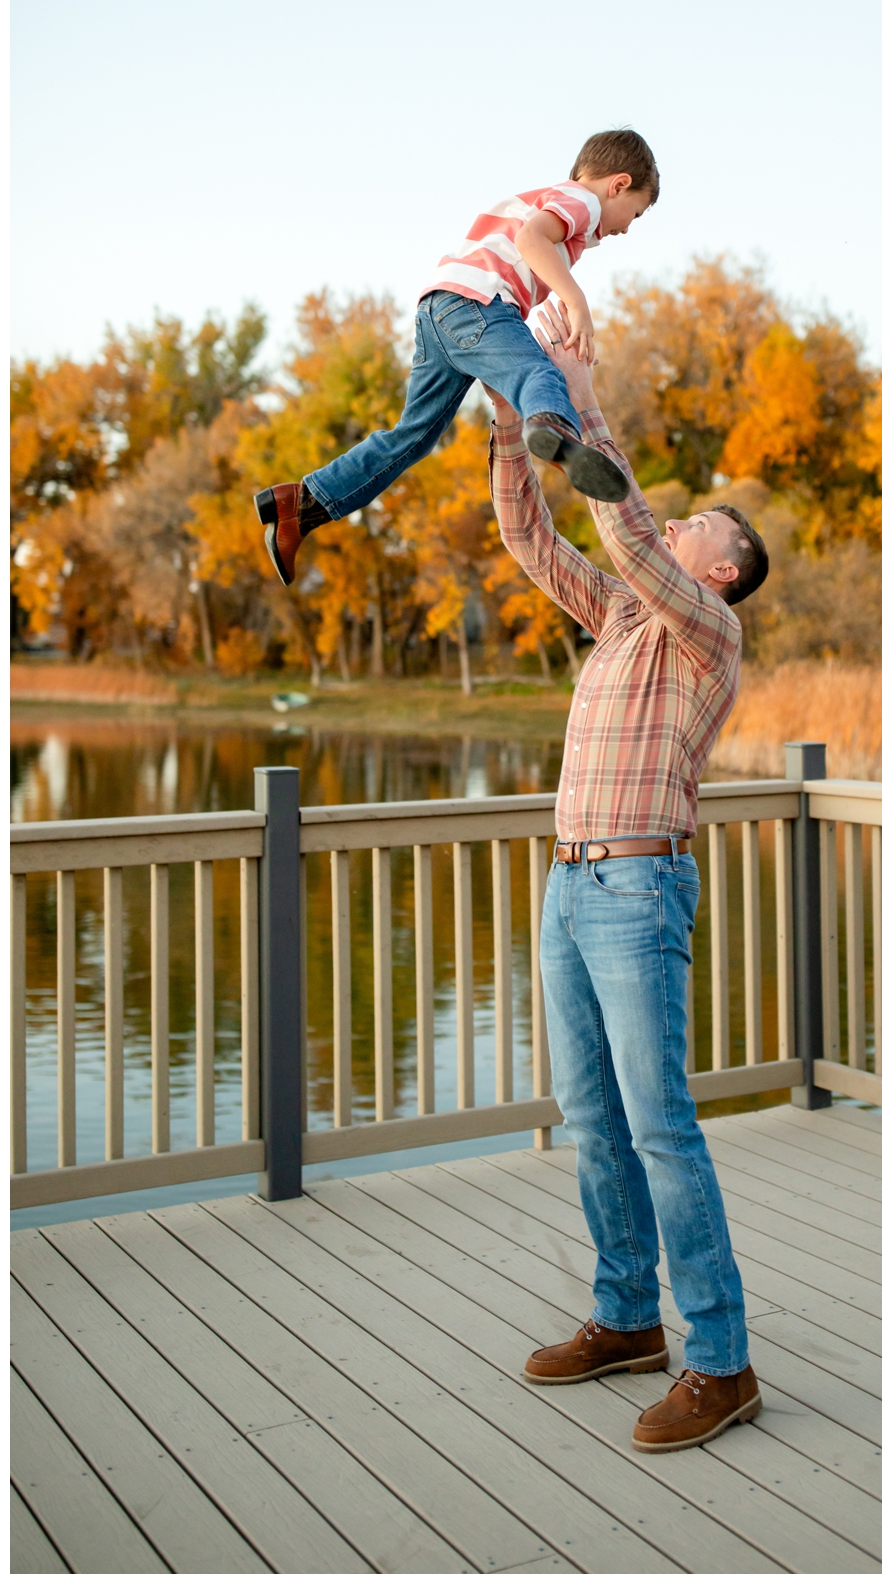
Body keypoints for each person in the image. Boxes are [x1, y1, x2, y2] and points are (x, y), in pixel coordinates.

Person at [490, 299, 772, 1455]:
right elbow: (529, 540)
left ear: (724, 565)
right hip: (569, 888)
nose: (688, 518)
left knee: (662, 1128)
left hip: (639, 892)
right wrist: (515, 412)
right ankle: (624, 1319)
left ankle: (722, 1360)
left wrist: (580, 389)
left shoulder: (706, 627)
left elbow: (627, 535)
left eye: (704, 519)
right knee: (591, 1119)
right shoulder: (618, 624)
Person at [256, 128, 657, 585]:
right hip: (479, 305)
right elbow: (531, 241)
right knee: (536, 372)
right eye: (636, 213)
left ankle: (299, 506)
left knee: (412, 437)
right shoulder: (581, 201)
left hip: (439, 308)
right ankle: (552, 427)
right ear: (618, 184)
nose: (627, 227)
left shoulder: (552, 199)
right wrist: (577, 303)